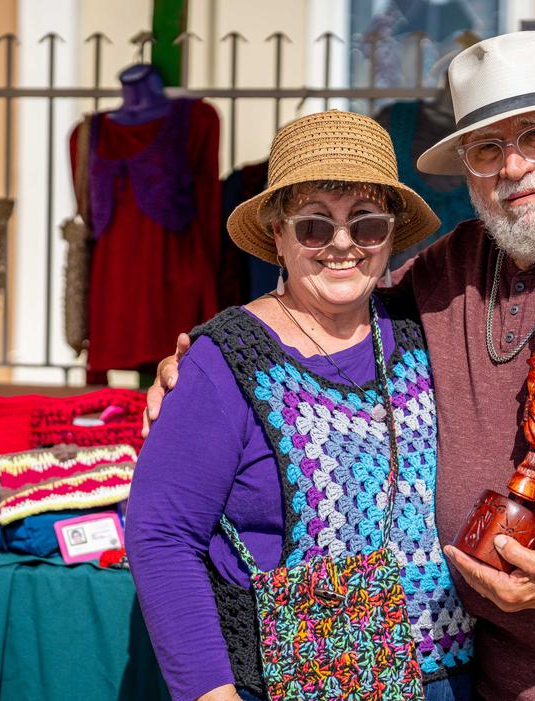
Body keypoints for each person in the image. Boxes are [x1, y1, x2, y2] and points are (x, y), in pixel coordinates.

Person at [147, 31, 535, 700]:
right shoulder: (449, 266)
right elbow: (324, 300)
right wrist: (211, 353)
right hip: (496, 676)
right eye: (487, 148)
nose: (514, 167)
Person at [125, 110, 475, 701]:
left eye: (365, 225)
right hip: (300, 683)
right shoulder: (227, 360)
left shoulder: (423, 331)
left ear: (390, 235)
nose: (342, 245)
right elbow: (161, 535)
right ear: (279, 236)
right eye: (315, 226)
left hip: (447, 674)